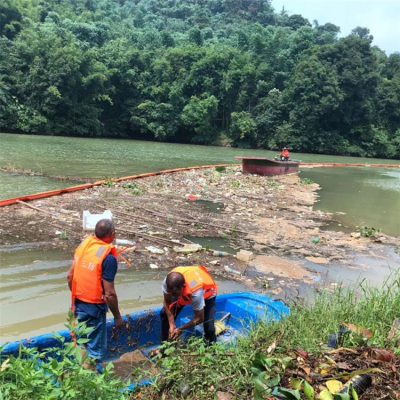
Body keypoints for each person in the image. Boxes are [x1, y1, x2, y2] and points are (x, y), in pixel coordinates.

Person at [67, 219, 123, 364]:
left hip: (76, 303)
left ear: (95, 233)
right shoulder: (108, 257)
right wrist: (117, 316)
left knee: (78, 343)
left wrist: (77, 295)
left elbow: (70, 276)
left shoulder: (84, 245)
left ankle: (79, 372)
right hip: (94, 308)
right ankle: (95, 379)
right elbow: (110, 293)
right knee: (96, 351)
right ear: (112, 234)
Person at [160, 265, 218, 346]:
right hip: (183, 288)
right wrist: (171, 324)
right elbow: (167, 301)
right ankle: (164, 347)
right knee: (164, 313)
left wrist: (180, 328)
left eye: (175, 294)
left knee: (209, 328)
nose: (172, 295)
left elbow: (199, 318)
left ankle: (211, 349)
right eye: (170, 293)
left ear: (183, 287)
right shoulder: (167, 283)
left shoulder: (196, 293)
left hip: (207, 294)